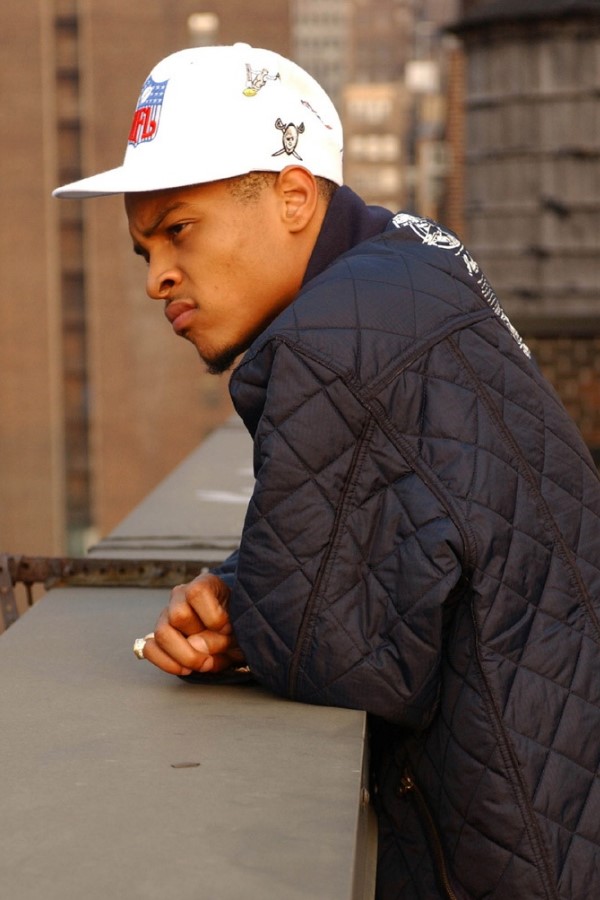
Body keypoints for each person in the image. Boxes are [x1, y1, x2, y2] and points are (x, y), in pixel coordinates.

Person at [54, 43, 600, 900]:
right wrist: (248, 588)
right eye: (144, 250)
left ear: (294, 196)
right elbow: (405, 519)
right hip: (563, 771)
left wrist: (240, 621)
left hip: (510, 843)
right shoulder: (413, 262)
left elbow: (341, 654)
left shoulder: (327, 346)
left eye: (178, 230)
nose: (159, 278)